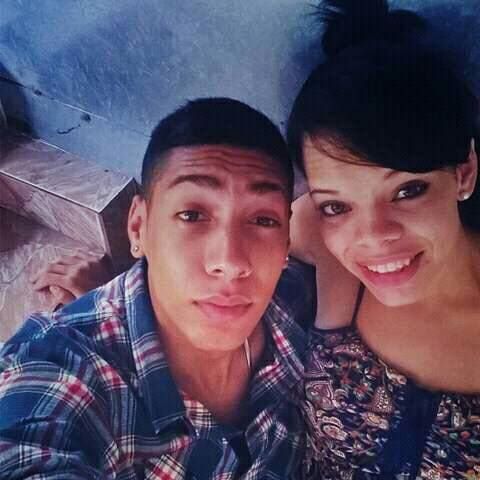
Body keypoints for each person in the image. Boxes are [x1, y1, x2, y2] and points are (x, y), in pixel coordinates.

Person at [0, 97, 316, 479]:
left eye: (263, 220)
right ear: (138, 227)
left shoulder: (295, 303)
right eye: (192, 215)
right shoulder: (65, 370)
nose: (231, 261)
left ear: (285, 241)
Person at [287, 0, 480, 478]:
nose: (374, 237)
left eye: (408, 190)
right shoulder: (322, 238)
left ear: (464, 172)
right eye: (337, 205)